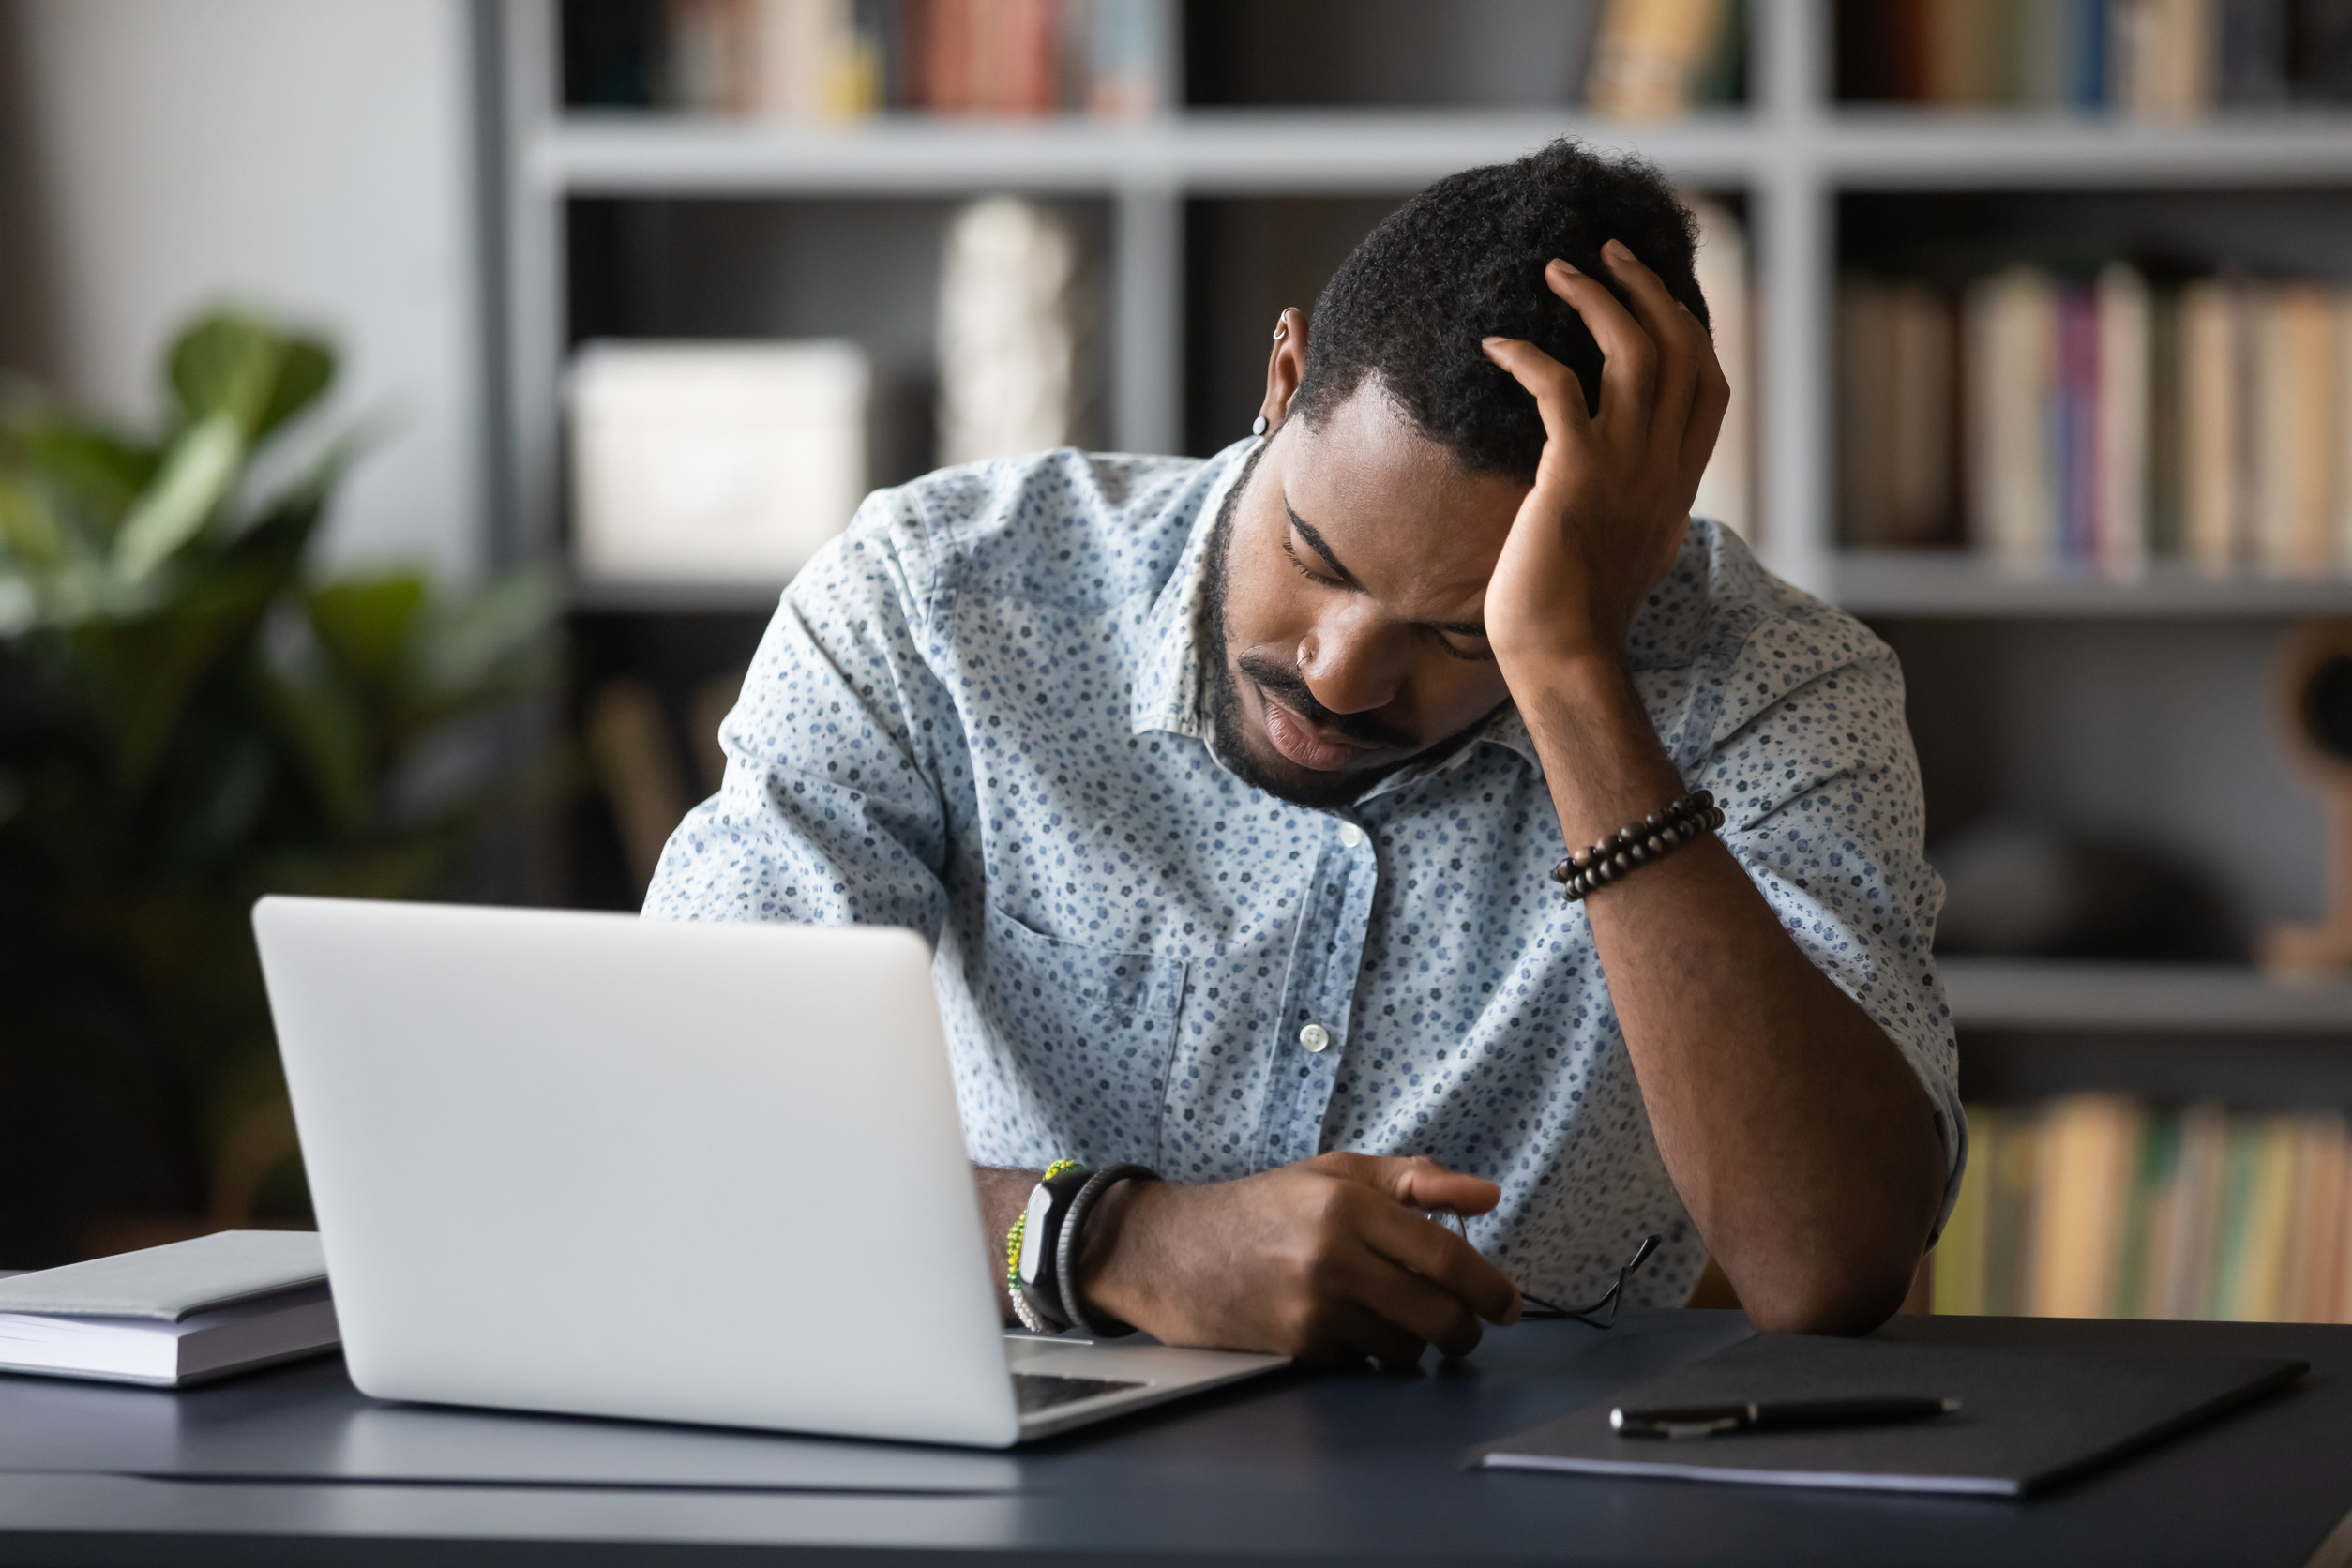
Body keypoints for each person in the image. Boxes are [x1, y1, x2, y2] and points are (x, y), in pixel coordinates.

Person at [645, 139, 1960, 1363]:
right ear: (1283, 380)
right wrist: (1108, 1243)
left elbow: (1822, 1264)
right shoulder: (938, 602)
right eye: (1315, 557)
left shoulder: (1780, 689)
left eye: (1458, 634)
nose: (1339, 671)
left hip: (1531, 1500)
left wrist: (1570, 671)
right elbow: (685, 1116)